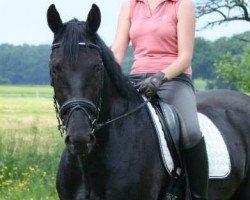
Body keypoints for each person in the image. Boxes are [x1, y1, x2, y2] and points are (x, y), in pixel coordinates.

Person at [111, 0, 208, 199]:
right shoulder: (130, 5)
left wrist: (160, 77)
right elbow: (117, 53)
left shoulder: (182, 4)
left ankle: (197, 194)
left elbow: (185, 57)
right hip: (137, 79)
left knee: (191, 131)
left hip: (174, 79)